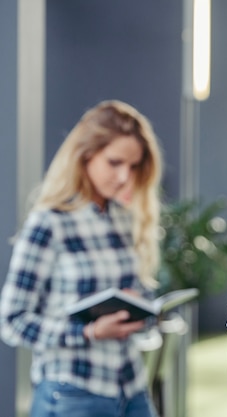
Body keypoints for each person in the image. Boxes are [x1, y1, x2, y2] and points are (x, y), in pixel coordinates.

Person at [0, 100, 163, 417]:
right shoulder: (49, 223)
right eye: (114, 163)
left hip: (131, 388)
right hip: (73, 394)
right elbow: (11, 321)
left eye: (133, 166)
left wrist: (139, 307)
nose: (123, 177)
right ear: (85, 156)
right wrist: (87, 332)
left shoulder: (123, 218)